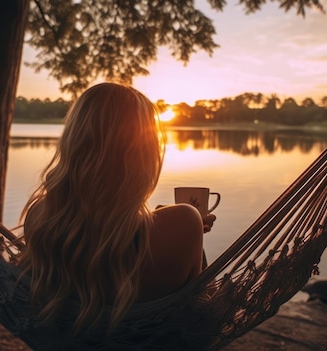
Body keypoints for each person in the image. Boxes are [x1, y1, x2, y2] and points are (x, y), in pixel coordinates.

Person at [17, 82, 216, 333]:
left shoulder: (40, 216)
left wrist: (161, 220)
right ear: (145, 152)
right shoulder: (184, 222)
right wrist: (191, 229)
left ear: (73, 141)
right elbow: (205, 312)